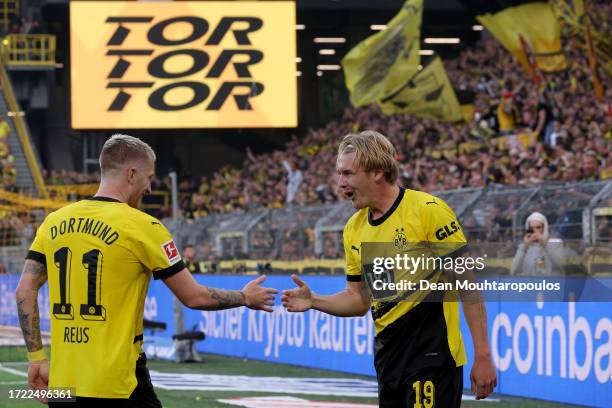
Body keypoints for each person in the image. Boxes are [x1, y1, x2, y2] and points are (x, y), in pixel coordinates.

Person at [15, 134, 277, 406]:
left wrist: (36, 358)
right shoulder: (143, 227)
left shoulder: (53, 223)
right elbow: (195, 296)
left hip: (64, 384)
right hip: (118, 383)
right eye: (148, 177)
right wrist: (245, 297)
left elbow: (24, 290)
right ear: (131, 174)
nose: (150, 187)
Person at [282, 131, 496, 407]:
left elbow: (468, 287)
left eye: (348, 174)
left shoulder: (428, 210)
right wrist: (315, 301)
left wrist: (482, 355)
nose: (340, 183)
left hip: (432, 359)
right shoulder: (354, 229)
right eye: (339, 174)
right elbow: (359, 299)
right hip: (389, 363)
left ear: (378, 172)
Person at [510, 212, 566, 276]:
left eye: (538, 227)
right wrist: (524, 247)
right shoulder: (523, 247)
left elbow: (561, 264)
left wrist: (544, 245)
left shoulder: (555, 243)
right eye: (531, 228)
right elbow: (513, 271)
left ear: (544, 228)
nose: (534, 231)